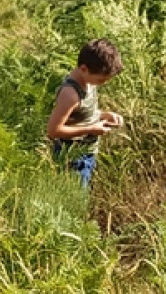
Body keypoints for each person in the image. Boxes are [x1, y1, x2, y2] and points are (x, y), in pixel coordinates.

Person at [46, 38, 125, 188]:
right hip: (73, 157)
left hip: (86, 153)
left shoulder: (88, 81)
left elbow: (82, 113)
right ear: (84, 69)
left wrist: (104, 115)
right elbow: (53, 131)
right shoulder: (70, 95)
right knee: (73, 201)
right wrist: (91, 129)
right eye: (101, 80)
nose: (103, 83)